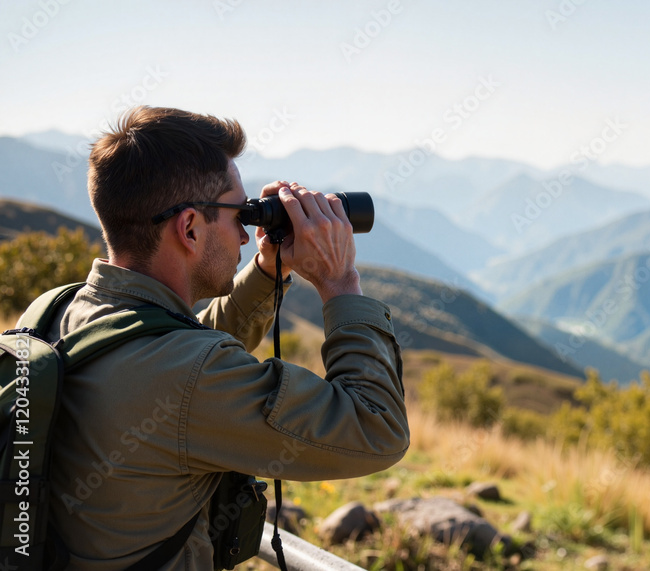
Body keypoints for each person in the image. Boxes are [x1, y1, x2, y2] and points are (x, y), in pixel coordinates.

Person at [33, 106, 409, 567]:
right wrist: (340, 282)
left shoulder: (60, 310)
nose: (248, 236)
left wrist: (270, 269)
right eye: (239, 215)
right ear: (189, 228)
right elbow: (376, 428)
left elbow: (172, 352)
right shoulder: (185, 374)